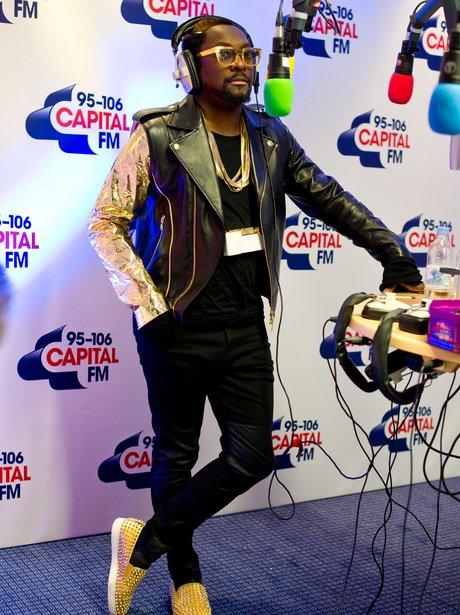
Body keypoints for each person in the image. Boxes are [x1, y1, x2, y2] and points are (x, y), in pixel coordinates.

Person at [88, 15, 423, 615]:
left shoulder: (270, 136)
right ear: (189, 66)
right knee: (176, 454)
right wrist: (148, 304)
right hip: (176, 325)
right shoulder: (158, 136)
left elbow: (326, 196)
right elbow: (106, 222)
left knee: (251, 457)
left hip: (244, 324)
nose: (243, 63)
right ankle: (185, 580)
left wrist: (392, 252)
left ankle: (143, 544)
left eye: (247, 53)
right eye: (226, 54)